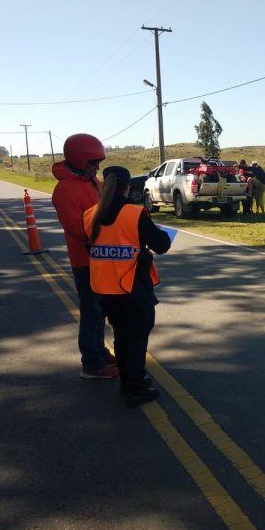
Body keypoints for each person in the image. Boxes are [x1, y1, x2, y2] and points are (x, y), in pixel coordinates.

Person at [83, 166, 171, 408]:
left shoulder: (91, 214)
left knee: (122, 337)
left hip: (106, 289)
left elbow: (89, 247)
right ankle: (136, 387)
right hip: (133, 286)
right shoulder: (134, 214)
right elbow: (161, 245)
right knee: (138, 338)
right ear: (127, 186)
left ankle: (126, 381)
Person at [52, 133, 117, 379]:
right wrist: (108, 234)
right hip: (86, 260)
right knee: (91, 311)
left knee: (100, 310)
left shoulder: (91, 181)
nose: (97, 167)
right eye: (93, 162)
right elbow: (77, 229)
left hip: (102, 257)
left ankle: (98, 350)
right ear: (80, 161)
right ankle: (91, 363)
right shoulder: (66, 190)